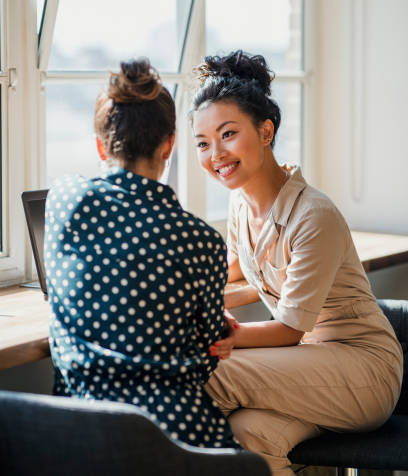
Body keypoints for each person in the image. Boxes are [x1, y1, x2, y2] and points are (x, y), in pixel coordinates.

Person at [190, 50, 403, 475]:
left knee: (209, 372)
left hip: (363, 371)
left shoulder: (313, 215)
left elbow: (289, 330)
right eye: (202, 142)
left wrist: (223, 333)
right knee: (250, 436)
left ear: (266, 131)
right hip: (308, 369)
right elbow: (232, 266)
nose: (216, 153)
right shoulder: (239, 203)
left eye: (228, 134)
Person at [44, 58, 241, 450]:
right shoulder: (200, 241)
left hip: (75, 437)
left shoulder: (64, 199)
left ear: (101, 146)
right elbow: (205, 357)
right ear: (170, 144)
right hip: (176, 441)